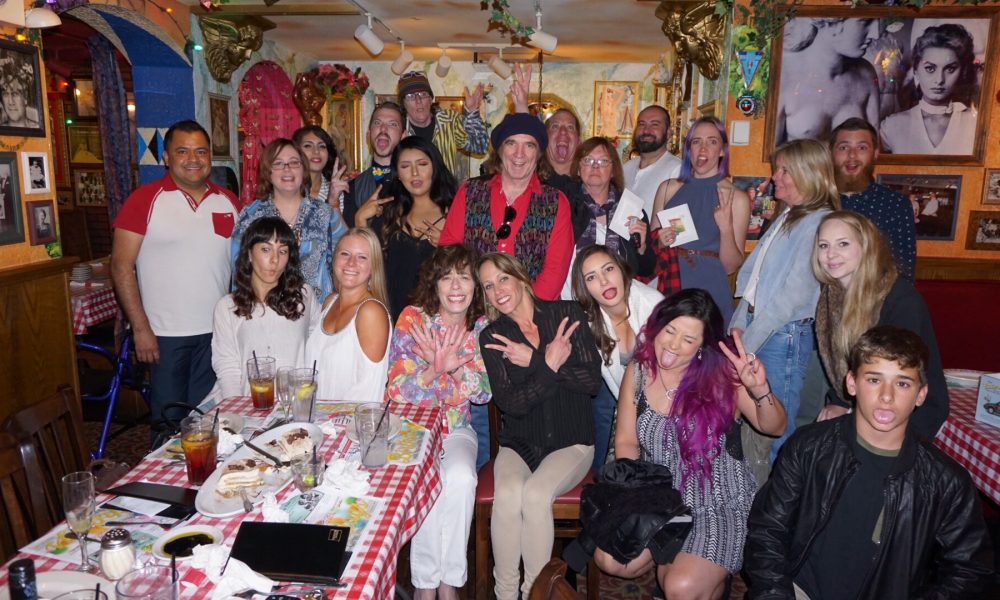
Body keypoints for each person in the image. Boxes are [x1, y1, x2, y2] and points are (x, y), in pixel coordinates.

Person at [744, 325, 993, 600]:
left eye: (902, 383)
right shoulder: (809, 448)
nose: (887, 396)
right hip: (799, 591)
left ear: (921, 394)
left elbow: (970, 571)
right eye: (874, 379)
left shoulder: (946, 482)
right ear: (851, 383)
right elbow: (767, 531)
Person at [596, 289, 786, 599]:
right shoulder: (639, 370)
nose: (672, 345)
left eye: (688, 339)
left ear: (702, 346)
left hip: (719, 500)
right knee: (611, 559)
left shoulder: (722, 374)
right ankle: (685, 562)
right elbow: (627, 440)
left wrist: (760, 389)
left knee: (678, 586)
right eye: (670, 331)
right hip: (663, 498)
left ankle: (705, 576)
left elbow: (774, 426)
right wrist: (634, 497)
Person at [477, 252, 600, 598]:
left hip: (571, 440)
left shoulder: (568, 314)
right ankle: (505, 594)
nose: (497, 291)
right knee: (508, 495)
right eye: (488, 286)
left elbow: (590, 382)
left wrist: (534, 361)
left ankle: (537, 591)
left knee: (535, 496)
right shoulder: (493, 336)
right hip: (521, 441)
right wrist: (548, 365)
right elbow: (512, 404)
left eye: (502, 279)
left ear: (520, 277)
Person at [111, 120, 240, 441]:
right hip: (164, 337)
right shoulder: (144, 200)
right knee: (167, 425)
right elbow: (121, 267)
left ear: (210, 157)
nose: (193, 159)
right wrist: (140, 328)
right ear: (167, 157)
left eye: (201, 151)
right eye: (183, 151)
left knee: (208, 421)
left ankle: (203, 474)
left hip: (216, 333)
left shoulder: (228, 201)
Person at [386, 245, 491, 598]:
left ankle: (449, 582)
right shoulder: (413, 319)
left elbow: (484, 392)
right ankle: (425, 585)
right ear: (434, 284)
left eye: (465, 277)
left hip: (456, 429)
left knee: (461, 477)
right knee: (430, 478)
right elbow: (396, 390)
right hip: (413, 430)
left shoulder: (481, 327)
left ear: (476, 285)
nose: (456, 286)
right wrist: (433, 370)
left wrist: (454, 368)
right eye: (447, 277)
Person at [731, 138, 838, 467]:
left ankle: (778, 495)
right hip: (765, 328)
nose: (775, 176)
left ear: (808, 173)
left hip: (783, 334)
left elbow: (793, 297)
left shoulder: (820, 221)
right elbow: (756, 280)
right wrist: (738, 324)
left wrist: (748, 339)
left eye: (784, 170)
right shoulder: (791, 214)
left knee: (778, 428)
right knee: (755, 423)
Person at [812, 210, 948, 439]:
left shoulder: (899, 299)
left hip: (910, 411)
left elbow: (901, 376)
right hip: (864, 400)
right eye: (823, 246)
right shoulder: (832, 295)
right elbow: (846, 363)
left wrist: (848, 410)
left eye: (843, 244)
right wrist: (839, 401)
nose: (831, 254)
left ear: (866, 247)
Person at [439, 113, 575, 301]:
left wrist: (522, 310)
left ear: (538, 154)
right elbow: (449, 253)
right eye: (511, 143)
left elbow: (555, 272)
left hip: (533, 310)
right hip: (473, 306)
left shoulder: (556, 202)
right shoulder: (469, 192)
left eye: (529, 145)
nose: (519, 154)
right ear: (500, 150)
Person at [570, 244, 663, 467]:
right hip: (622, 397)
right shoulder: (586, 322)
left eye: (608, 269)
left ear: (622, 269)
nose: (603, 281)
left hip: (664, 399)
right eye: (591, 277)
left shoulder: (654, 305)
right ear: (585, 287)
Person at [650, 117, 750, 321]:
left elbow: (730, 267)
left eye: (712, 141)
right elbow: (649, 251)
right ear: (689, 149)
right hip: (671, 283)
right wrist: (660, 241)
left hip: (710, 291)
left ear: (722, 150)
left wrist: (726, 228)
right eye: (696, 141)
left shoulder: (737, 198)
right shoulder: (668, 189)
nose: (703, 148)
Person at [211, 217, 318, 400]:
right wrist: (238, 409)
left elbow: (317, 348)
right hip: (249, 403)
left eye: (282, 251)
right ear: (249, 254)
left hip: (296, 403)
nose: (274, 260)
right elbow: (227, 368)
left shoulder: (304, 297)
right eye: (266, 249)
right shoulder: (228, 306)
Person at [354, 136, 457, 321]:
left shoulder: (456, 212)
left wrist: (450, 244)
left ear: (435, 168)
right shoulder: (389, 213)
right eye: (405, 166)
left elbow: (471, 269)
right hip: (391, 318)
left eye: (422, 164)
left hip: (441, 322)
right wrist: (360, 219)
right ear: (398, 174)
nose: (415, 173)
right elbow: (367, 264)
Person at [230, 138, 347, 300]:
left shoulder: (325, 214)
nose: (287, 169)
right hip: (264, 309)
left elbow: (347, 260)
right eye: (278, 163)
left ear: (303, 169)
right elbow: (239, 270)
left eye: (294, 163)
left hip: (317, 310)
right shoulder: (251, 216)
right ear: (268, 172)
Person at [305, 227, 391, 403]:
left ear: (373, 266)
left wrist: (331, 419)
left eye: (362, 257)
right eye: (345, 254)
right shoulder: (329, 302)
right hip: (316, 415)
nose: (351, 263)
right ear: (334, 258)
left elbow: (368, 388)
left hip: (350, 418)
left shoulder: (371, 312)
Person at [829, 118, 916, 281]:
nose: (852, 155)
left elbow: (904, 272)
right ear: (831, 153)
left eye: (862, 147)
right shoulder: (816, 201)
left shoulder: (896, 205)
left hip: (875, 295)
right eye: (843, 147)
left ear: (875, 154)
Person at [776, 18, 880, 144]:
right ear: (831, 25)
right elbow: (766, 152)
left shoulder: (865, 73)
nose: (876, 34)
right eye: (865, 22)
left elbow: (874, 147)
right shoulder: (784, 74)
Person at [880, 24, 978, 155]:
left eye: (950, 69)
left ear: (962, 72)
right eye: (930, 68)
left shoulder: (975, 124)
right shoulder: (892, 125)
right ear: (916, 71)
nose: (939, 79)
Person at [571, 136, 653, 277]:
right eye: (588, 160)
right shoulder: (566, 206)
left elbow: (646, 270)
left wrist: (642, 246)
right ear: (578, 169)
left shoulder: (632, 210)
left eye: (603, 161)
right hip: (572, 289)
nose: (595, 166)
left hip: (619, 289)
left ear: (613, 171)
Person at [398, 71, 487, 178]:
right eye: (410, 96)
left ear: (430, 99)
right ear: (403, 103)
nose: (418, 101)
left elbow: (480, 147)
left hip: (446, 188)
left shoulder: (449, 120)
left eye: (423, 94)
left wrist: (472, 113)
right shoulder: (398, 130)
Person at [344, 102, 405, 227]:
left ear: (403, 136)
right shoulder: (353, 188)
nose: (383, 129)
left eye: (392, 124)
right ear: (368, 134)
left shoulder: (414, 184)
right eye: (377, 123)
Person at [622, 105, 682, 219]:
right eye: (641, 124)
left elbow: (678, 223)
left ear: (668, 133)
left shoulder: (677, 171)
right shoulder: (626, 168)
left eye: (654, 124)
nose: (646, 130)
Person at [292, 125, 348, 208]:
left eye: (322, 146)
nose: (316, 151)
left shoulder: (338, 191)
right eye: (308, 146)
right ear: (295, 151)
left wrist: (332, 201)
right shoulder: (285, 188)